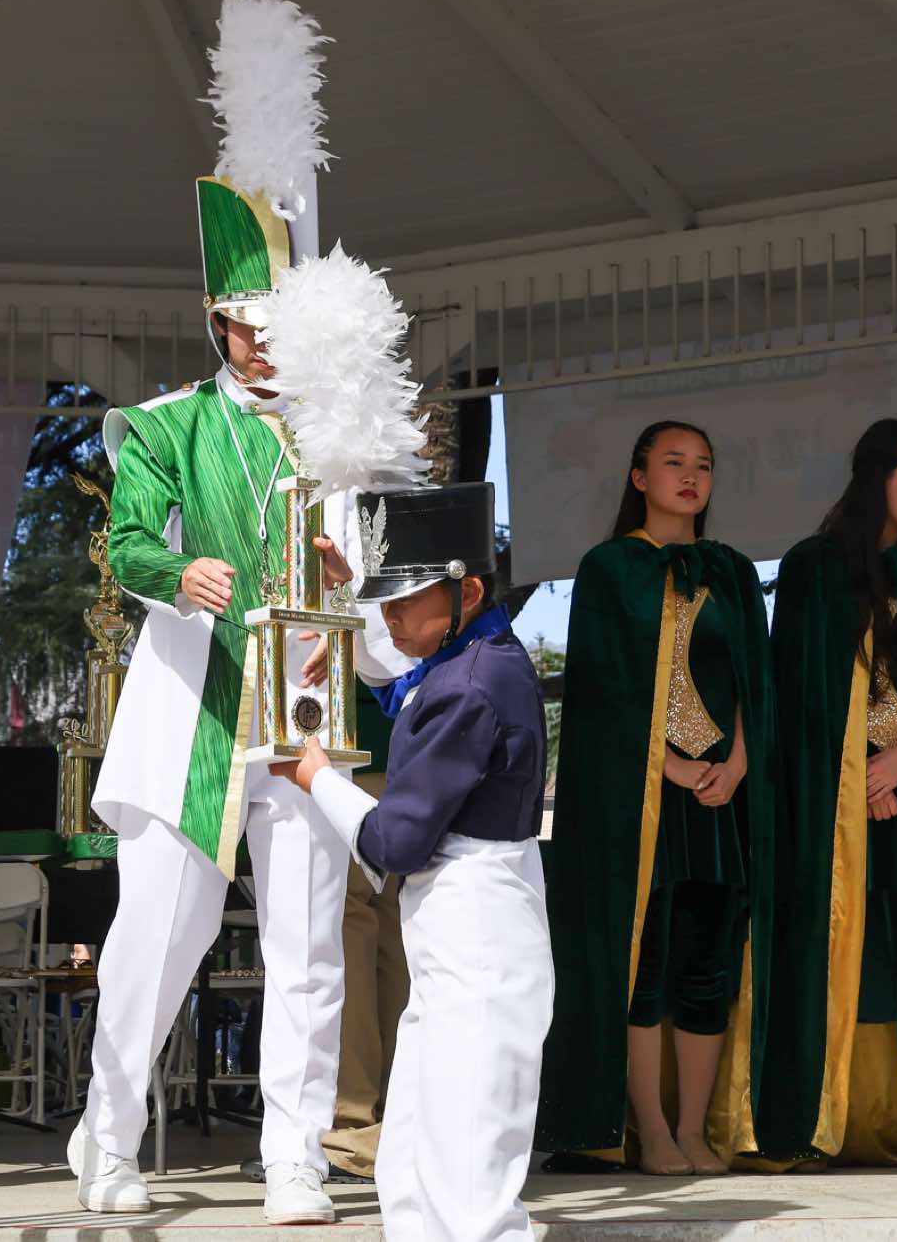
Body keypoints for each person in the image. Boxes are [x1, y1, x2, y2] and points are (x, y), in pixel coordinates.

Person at [68, 0, 404, 1224]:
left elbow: (373, 601)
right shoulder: (163, 426)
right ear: (214, 321)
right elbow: (123, 544)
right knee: (154, 947)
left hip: (304, 728)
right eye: (243, 326)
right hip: (194, 720)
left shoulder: (340, 442)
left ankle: (294, 1162)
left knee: (307, 956)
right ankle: (106, 1142)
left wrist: (356, 602)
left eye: (276, 326)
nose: (260, 345)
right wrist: (178, 574)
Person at [282, 481, 552, 1242]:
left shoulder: (469, 684)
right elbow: (403, 683)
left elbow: (394, 842)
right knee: (411, 1174)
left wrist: (317, 777)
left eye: (404, 600)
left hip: (477, 934)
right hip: (462, 933)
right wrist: (345, 601)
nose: (391, 616)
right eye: (385, 600)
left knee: (467, 1191)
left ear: (468, 593)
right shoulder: (474, 661)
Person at [535, 422, 773, 1176]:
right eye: (673, 462)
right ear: (639, 477)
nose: (691, 476)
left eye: (703, 464)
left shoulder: (732, 571)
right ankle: (650, 1129)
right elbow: (602, 689)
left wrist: (737, 763)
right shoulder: (608, 568)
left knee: (708, 963)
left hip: (720, 798)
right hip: (641, 800)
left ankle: (694, 1128)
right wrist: (666, 765)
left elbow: (754, 680)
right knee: (646, 962)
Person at [757, 417, 897, 1171]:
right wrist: (856, 776)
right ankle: (811, 1122)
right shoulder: (812, 568)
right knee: (822, 945)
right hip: (831, 799)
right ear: (877, 474)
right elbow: (798, 693)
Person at [320, 696, 409, 1184]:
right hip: (399, 752)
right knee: (391, 929)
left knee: (345, 924)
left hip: (345, 746)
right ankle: (399, 1115)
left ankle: (352, 1123)